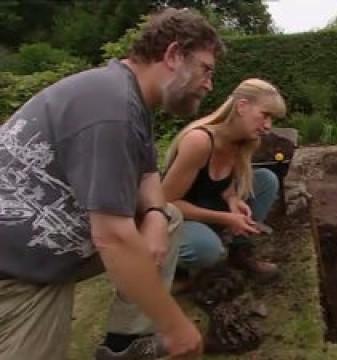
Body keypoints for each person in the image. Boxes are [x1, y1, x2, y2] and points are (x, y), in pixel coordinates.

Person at [0, 8, 224, 360]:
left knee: (168, 217)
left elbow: (148, 171)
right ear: (173, 55)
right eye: (206, 69)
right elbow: (113, 238)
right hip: (17, 273)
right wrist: (175, 326)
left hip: (40, 253)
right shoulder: (113, 108)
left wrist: (153, 214)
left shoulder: (130, 98)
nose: (209, 83)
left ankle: (124, 345)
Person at [162, 78, 286, 284]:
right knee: (206, 250)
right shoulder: (199, 141)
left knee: (266, 180)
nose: (268, 126)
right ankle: (178, 268)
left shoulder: (245, 141)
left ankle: (239, 252)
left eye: (272, 119)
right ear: (242, 106)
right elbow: (165, 204)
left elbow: (224, 182)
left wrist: (233, 199)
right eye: (264, 115)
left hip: (209, 208)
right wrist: (226, 218)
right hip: (178, 219)